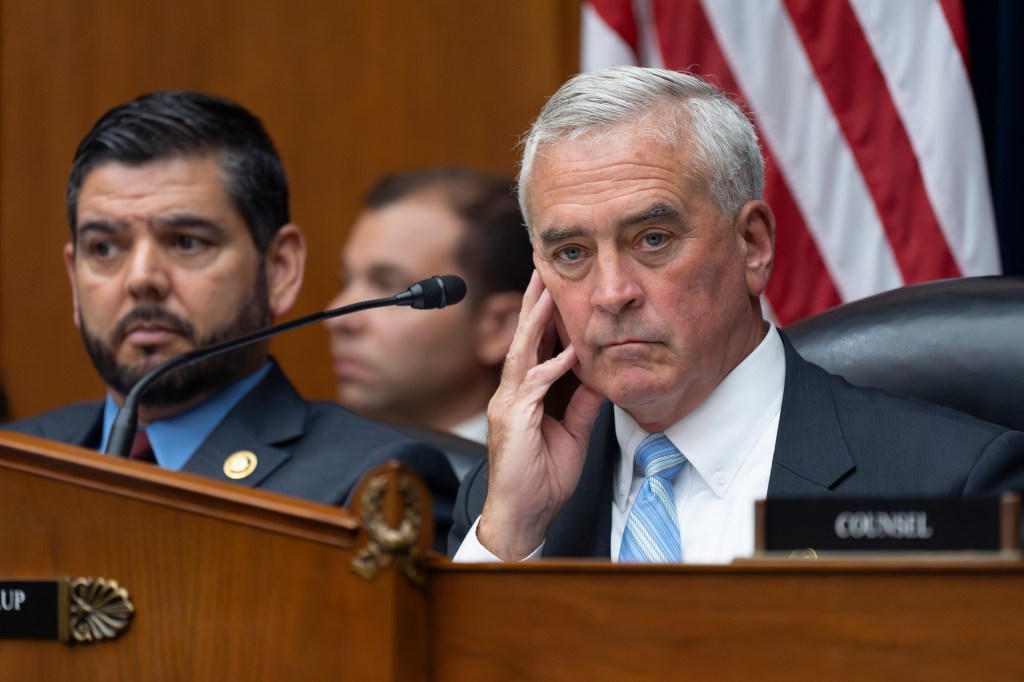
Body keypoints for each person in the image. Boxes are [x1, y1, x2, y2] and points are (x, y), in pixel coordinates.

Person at [450, 66, 1024, 563]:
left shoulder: (948, 484)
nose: (611, 292)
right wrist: (511, 533)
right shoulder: (503, 500)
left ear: (752, 244)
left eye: (653, 239)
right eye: (571, 254)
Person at [2, 91, 457, 545]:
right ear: (73, 277)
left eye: (186, 242)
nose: (140, 279)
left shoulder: (372, 485)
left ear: (279, 268)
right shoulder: (12, 461)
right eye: (104, 248)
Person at [326, 167, 532, 478]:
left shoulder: (543, 491)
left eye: (392, 288)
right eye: (347, 281)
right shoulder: (322, 462)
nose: (338, 315)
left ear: (501, 328)